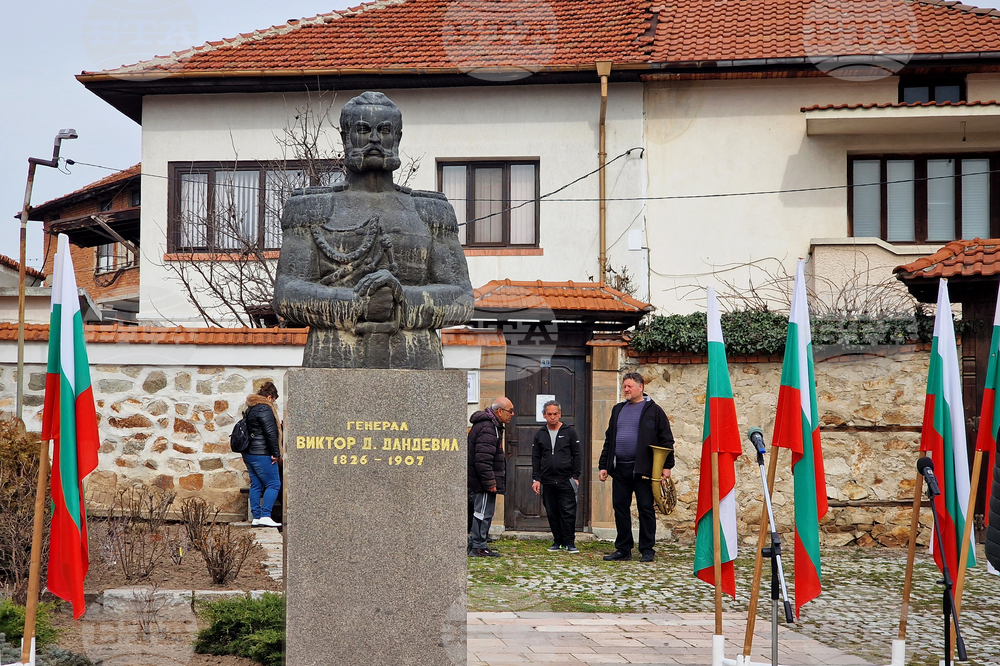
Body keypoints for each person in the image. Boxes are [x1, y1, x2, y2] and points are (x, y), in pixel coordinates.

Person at [598, 372, 674, 562]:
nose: (626, 390)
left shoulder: (654, 410)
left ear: (641, 387)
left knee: (646, 508)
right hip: (620, 469)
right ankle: (623, 549)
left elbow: (666, 439)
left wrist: (667, 466)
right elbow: (609, 439)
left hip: (644, 470)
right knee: (620, 508)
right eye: (624, 386)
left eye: (629, 386)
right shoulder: (617, 410)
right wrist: (603, 465)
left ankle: (647, 550)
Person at [531, 400, 583, 553]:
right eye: (549, 414)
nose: (552, 417)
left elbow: (577, 455)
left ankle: (570, 542)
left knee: (568, 512)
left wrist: (575, 476)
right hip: (547, 480)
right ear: (544, 415)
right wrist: (536, 479)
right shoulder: (540, 434)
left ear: (559, 414)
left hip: (565, 479)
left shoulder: (569, 432)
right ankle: (557, 541)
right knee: (552, 512)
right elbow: (536, 458)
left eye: (555, 414)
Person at [468, 397, 513, 557]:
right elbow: (483, 459)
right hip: (483, 483)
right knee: (483, 513)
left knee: (482, 511)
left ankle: (476, 543)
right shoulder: (488, 428)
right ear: (499, 411)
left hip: (482, 481)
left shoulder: (491, 426)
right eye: (510, 411)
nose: (512, 414)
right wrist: (490, 482)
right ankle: (478, 546)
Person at [243, 381, 283, 528]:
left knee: (256, 485)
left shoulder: (251, 408)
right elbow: (270, 433)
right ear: (270, 397)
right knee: (274, 484)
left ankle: (256, 517)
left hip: (249, 453)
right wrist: (275, 453)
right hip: (262, 453)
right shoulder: (265, 409)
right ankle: (266, 515)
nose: (273, 403)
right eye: (274, 400)